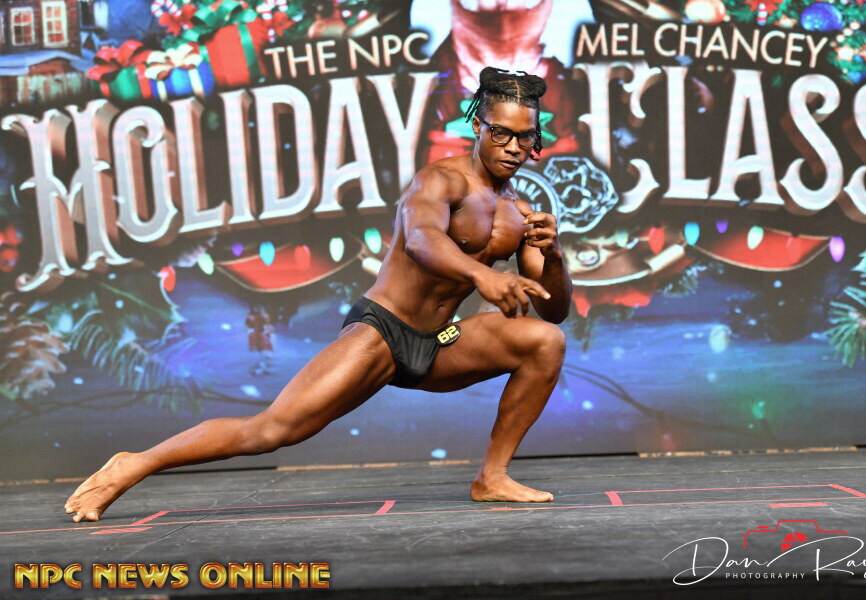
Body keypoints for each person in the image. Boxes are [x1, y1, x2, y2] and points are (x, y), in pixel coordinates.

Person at [64, 67, 573, 523]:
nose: (512, 146)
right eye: (501, 132)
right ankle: (135, 463)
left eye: (523, 137)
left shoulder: (519, 213)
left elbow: (555, 309)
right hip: (383, 331)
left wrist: (553, 256)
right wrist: (483, 277)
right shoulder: (440, 180)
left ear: (536, 140)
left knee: (544, 342)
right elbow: (422, 241)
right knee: (270, 432)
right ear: (478, 126)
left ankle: (492, 478)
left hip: (439, 342)